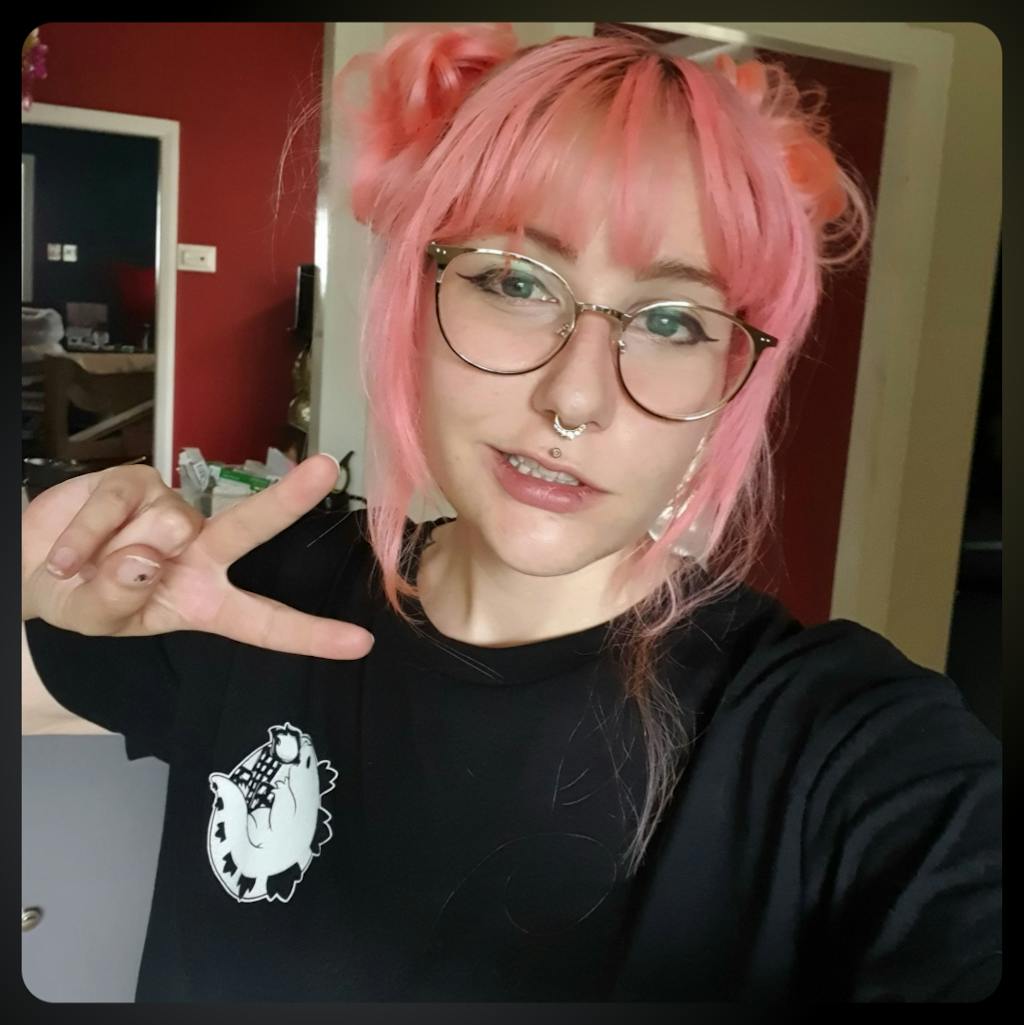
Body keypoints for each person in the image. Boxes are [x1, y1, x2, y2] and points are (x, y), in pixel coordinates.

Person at [21, 24, 1000, 1002]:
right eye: (516, 281)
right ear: (416, 289)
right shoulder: (251, 589)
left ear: (730, 371)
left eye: (671, 320)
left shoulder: (841, 743)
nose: (576, 397)